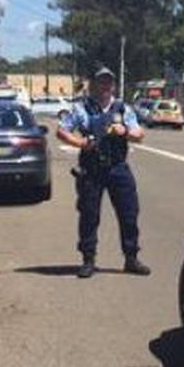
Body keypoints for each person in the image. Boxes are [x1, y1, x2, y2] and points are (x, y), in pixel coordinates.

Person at [57, 67, 150, 278]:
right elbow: (62, 131)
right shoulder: (81, 108)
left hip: (118, 167)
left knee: (129, 213)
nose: (105, 86)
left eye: (109, 82)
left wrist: (125, 131)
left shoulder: (122, 109)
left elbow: (139, 134)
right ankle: (88, 260)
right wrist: (81, 142)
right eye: (101, 82)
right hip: (91, 168)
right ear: (93, 84)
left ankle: (131, 258)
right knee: (89, 215)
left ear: (113, 85)